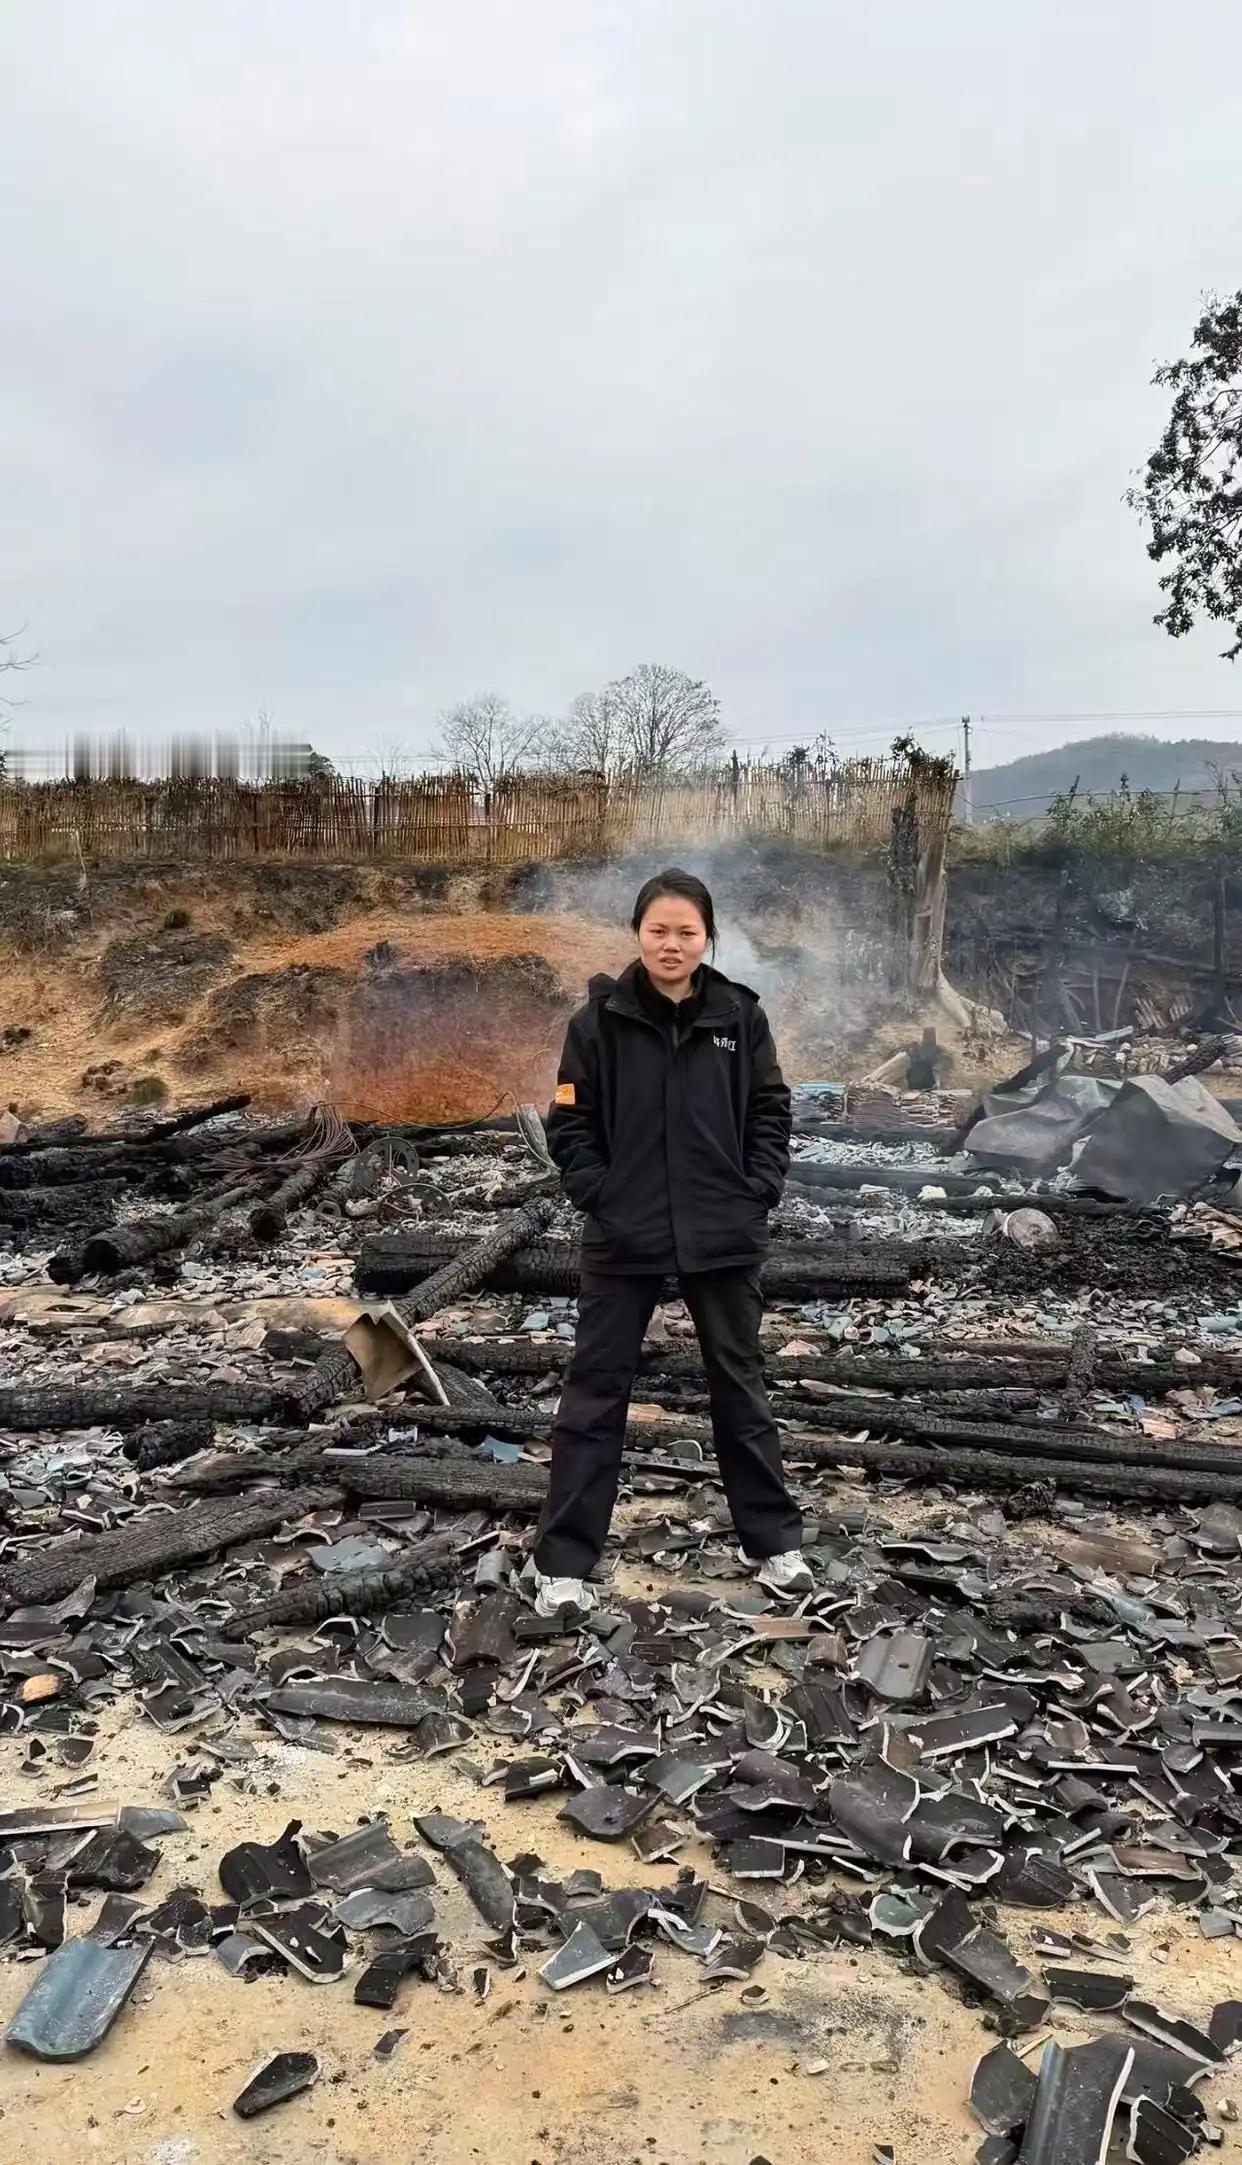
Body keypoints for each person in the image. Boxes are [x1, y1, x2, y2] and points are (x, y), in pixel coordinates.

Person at [527, 867, 811, 1617]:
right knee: (594, 1392)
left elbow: (771, 1109)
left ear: (707, 937)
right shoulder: (598, 1023)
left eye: (687, 931)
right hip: (626, 1233)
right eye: (659, 929)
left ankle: (776, 1545)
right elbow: (570, 1122)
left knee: (740, 1386)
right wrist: (600, 1192)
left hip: (724, 1232)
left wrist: (758, 1188)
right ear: (637, 934)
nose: (672, 943)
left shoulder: (739, 1019)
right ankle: (562, 1560)